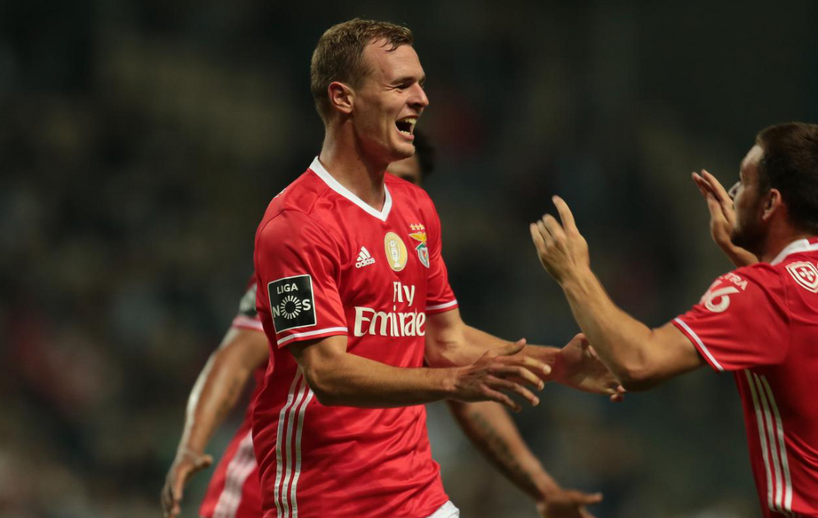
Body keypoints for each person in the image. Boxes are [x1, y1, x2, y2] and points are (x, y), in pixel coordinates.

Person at [252, 19, 617, 518]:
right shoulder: (294, 224)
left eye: (421, 83)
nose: (422, 99)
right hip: (325, 500)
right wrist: (453, 383)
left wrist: (558, 365)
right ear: (343, 98)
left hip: (417, 494)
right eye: (401, 85)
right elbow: (326, 372)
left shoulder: (415, 207)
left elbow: (447, 342)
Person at [160, 133, 605, 518]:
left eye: (407, 181)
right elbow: (237, 357)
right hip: (274, 495)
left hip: (393, 495)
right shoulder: (305, 250)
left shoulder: (413, 259)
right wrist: (191, 446)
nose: (390, 190)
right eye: (387, 175)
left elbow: (468, 380)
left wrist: (542, 485)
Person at [530, 122, 818, 517]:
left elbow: (638, 363)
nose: (732, 192)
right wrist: (740, 249)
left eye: (744, 182)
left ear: (769, 204)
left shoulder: (760, 294)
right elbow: (793, 315)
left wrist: (574, 273)